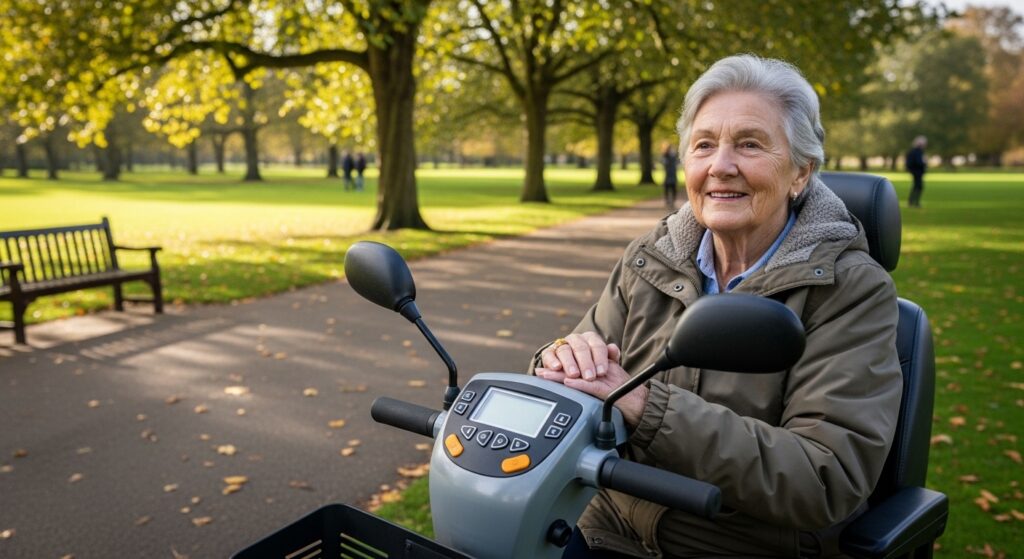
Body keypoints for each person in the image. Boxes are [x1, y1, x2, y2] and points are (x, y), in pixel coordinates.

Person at [533, 55, 902, 558]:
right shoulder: (650, 259)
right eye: (703, 145)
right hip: (605, 526)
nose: (719, 166)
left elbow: (824, 476)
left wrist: (647, 408)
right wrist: (557, 360)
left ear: (801, 173)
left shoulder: (850, 290)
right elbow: (578, 372)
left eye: (749, 144)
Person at [905, 136, 927, 208]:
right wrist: (924, 162)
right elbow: (919, 162)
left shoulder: (914, 151)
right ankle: (915, 202)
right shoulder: (917, 152)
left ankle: (911, 201)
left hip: (915, 171)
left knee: (916, 186)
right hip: (917, 172)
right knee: (918, 187)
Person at [661, 143, 679, 209]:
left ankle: (672, 201)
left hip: (672, 174)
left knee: (673, 188)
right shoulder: (665, 156)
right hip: (668, 174)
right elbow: (664, 163)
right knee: (667, 188)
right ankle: (668, 201)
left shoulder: (672, 155)